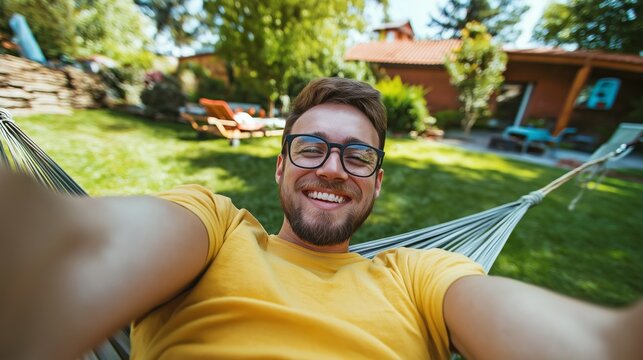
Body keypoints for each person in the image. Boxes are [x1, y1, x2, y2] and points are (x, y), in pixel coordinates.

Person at [0, 78, 641, 360]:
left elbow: (574, 346)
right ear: (279, 168)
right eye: (311, 148)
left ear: (377, 182)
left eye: (357, 154)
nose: (333, 167)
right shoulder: (216, 227)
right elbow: (83, 252)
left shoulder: (419, 276)